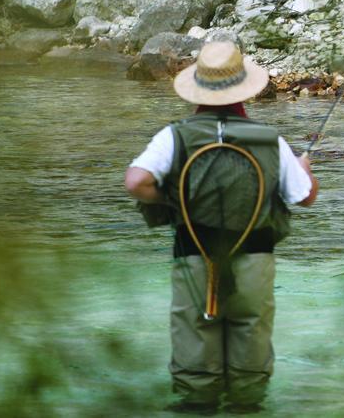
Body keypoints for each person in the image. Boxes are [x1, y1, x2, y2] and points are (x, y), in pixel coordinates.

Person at [126, 41, 318, 415]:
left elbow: (136, 182)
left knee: (195, 371)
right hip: (255, 264)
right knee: (250, 370)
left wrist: (173, 199)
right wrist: (305, 169)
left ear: (197, 88)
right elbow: (304, 196)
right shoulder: (268, 139)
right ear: (244, 88)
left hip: (194, 259)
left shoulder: (175, 136)